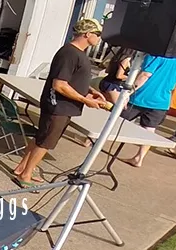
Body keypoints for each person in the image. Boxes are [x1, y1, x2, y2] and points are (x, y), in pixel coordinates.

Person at [14, 19, 107, 187]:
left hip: (63, 106)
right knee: (45, 142)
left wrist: (90, 91)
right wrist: (84, 100)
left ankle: (22, 168)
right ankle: (25, 175)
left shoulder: (77, 53)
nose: (100, 38)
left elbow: (72, 79)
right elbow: (60, 85)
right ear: (88, 34)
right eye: (98, 34)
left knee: (41, 137)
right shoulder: (70, 54)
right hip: (58, 106)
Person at [118, 54, 176, 167]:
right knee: (150, 130)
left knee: (115, 120)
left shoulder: (156, 54)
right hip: (162, 101)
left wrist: (128, 92)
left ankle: (92, 141)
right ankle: (139, 158)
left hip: (140, 97)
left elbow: (145, 74)